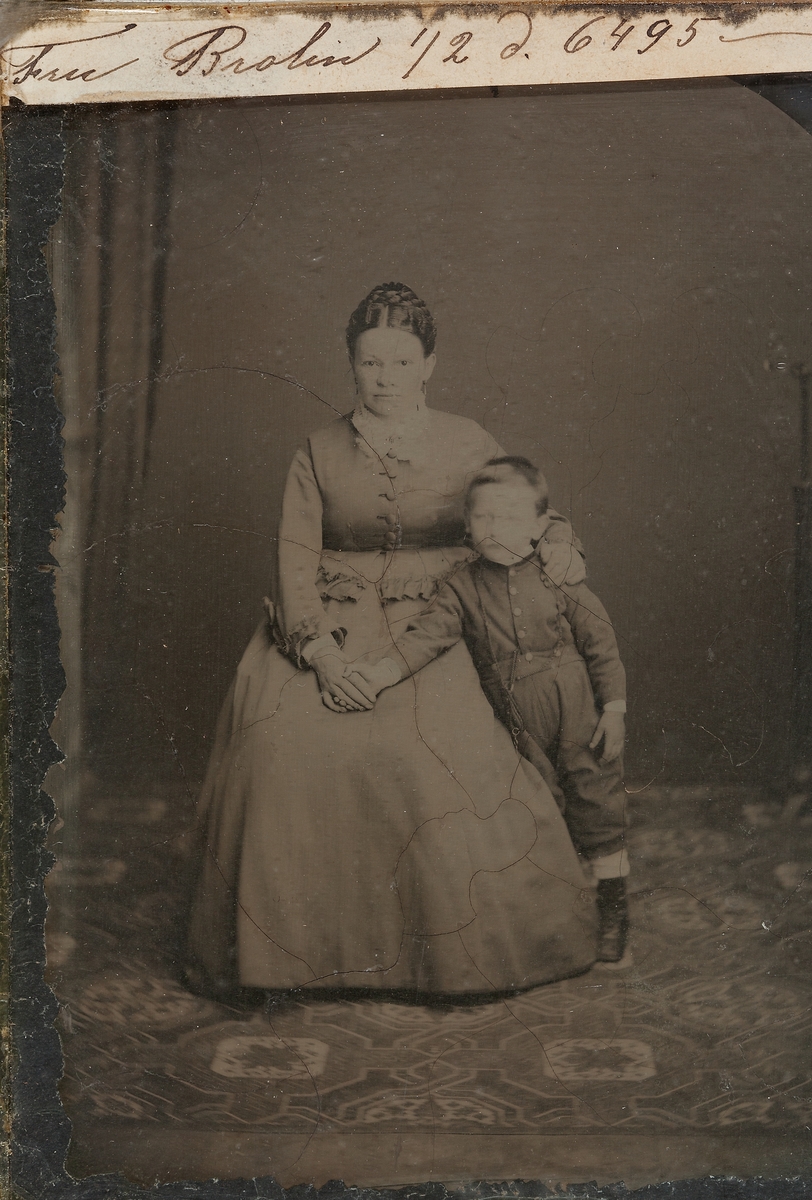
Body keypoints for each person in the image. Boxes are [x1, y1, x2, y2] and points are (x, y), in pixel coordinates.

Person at [185, 283, 604, 999]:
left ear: (429, 365)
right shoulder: (316, 452)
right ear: (351, 364)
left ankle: (447, 956)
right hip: (332, 619)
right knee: (278, 744)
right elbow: (294, 559)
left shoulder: (468, 440)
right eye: (371, 363)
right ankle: (292, 956)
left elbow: (535, 509)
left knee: (428, 754)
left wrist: (561, 545)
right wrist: (322, 655)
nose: (385, 379)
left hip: (446, 616)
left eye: (402, 363)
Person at [346, 456, 630, 962]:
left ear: (540, 526)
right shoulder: (461, 586)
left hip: (578, 711)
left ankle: (614, 911)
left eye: (511, 517)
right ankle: (559, 912)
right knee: (539, 805)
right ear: (468, 523)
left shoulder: (558, 575)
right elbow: (427, 636)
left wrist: (614, 709)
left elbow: (601, 643)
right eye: (484, 517)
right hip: (517, 720)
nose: (496, 528)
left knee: (597, 801)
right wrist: (383, 672)